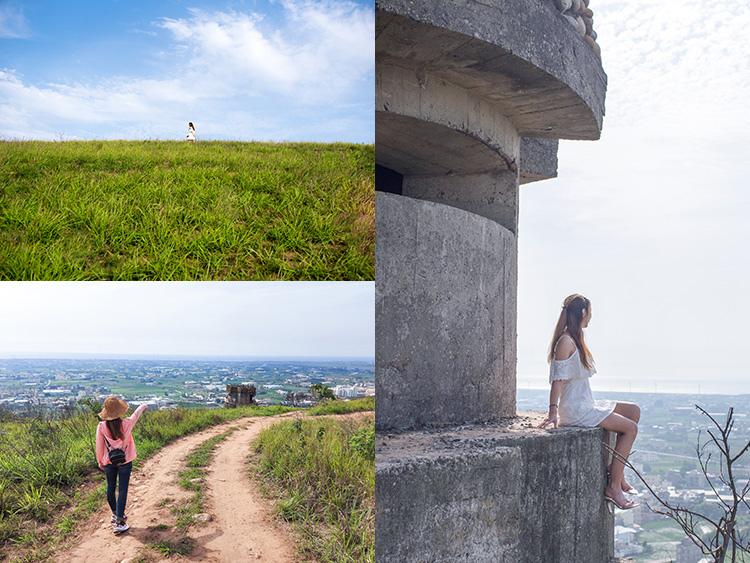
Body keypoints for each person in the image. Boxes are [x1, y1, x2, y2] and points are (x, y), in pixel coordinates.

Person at [537, 294, 641, 510]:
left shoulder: (576, 338)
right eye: (590, 312)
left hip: (586, 402)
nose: (591, 316)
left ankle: (616, 470)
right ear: (583, 313)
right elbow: (557, 381)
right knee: (630, 429)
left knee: (634, 412)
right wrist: (553, 413)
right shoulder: (566, 342)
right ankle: (613, 487)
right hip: (576, 409)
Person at [96, 397, 148, 533]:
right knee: (123, 489)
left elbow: (99, 446)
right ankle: (119, 521)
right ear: (119, 412)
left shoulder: (101, 426)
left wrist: (100, 461)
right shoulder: (127, 423)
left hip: (108, 461)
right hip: (125, 461)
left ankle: (115, 514)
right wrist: (143, 405)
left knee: (110, 487)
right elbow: (135, 415)